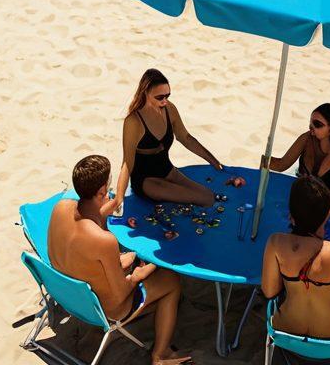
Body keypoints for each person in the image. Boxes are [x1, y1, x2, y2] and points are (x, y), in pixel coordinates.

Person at [48, 155, 189, 365]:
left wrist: (114, 203)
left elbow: (89, 217)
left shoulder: (61, 208)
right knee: (171, 280)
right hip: (107, 309)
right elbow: (122, 293)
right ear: (102, 191)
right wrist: (140, 274)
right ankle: (160, 354)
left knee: (130, 258)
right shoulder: (104, 241)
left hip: (69, 293)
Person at [261, 176, 330, 365]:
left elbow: (269, 291)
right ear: (326, 215)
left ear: (292, 215)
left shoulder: (276, 242)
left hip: (287, 329)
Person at [114, 69, 222, 208]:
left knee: (208, 197)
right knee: (200, 199)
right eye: (160, 97)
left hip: (168, 170)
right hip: (147, 181)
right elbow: (127, 163)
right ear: (146, 93)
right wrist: (119, 197)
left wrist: (213, 161)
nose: (165, 101)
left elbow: (186, 138)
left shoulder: (169, 109)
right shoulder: (134, 121)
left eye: (167, 96)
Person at [263, 105, 330, 210]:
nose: (311, 128)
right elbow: (281, 165)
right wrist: (264, 160)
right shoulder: (307, 139)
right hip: (299, 194)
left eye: (317, 124)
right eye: (310, 124)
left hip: (324, 207)